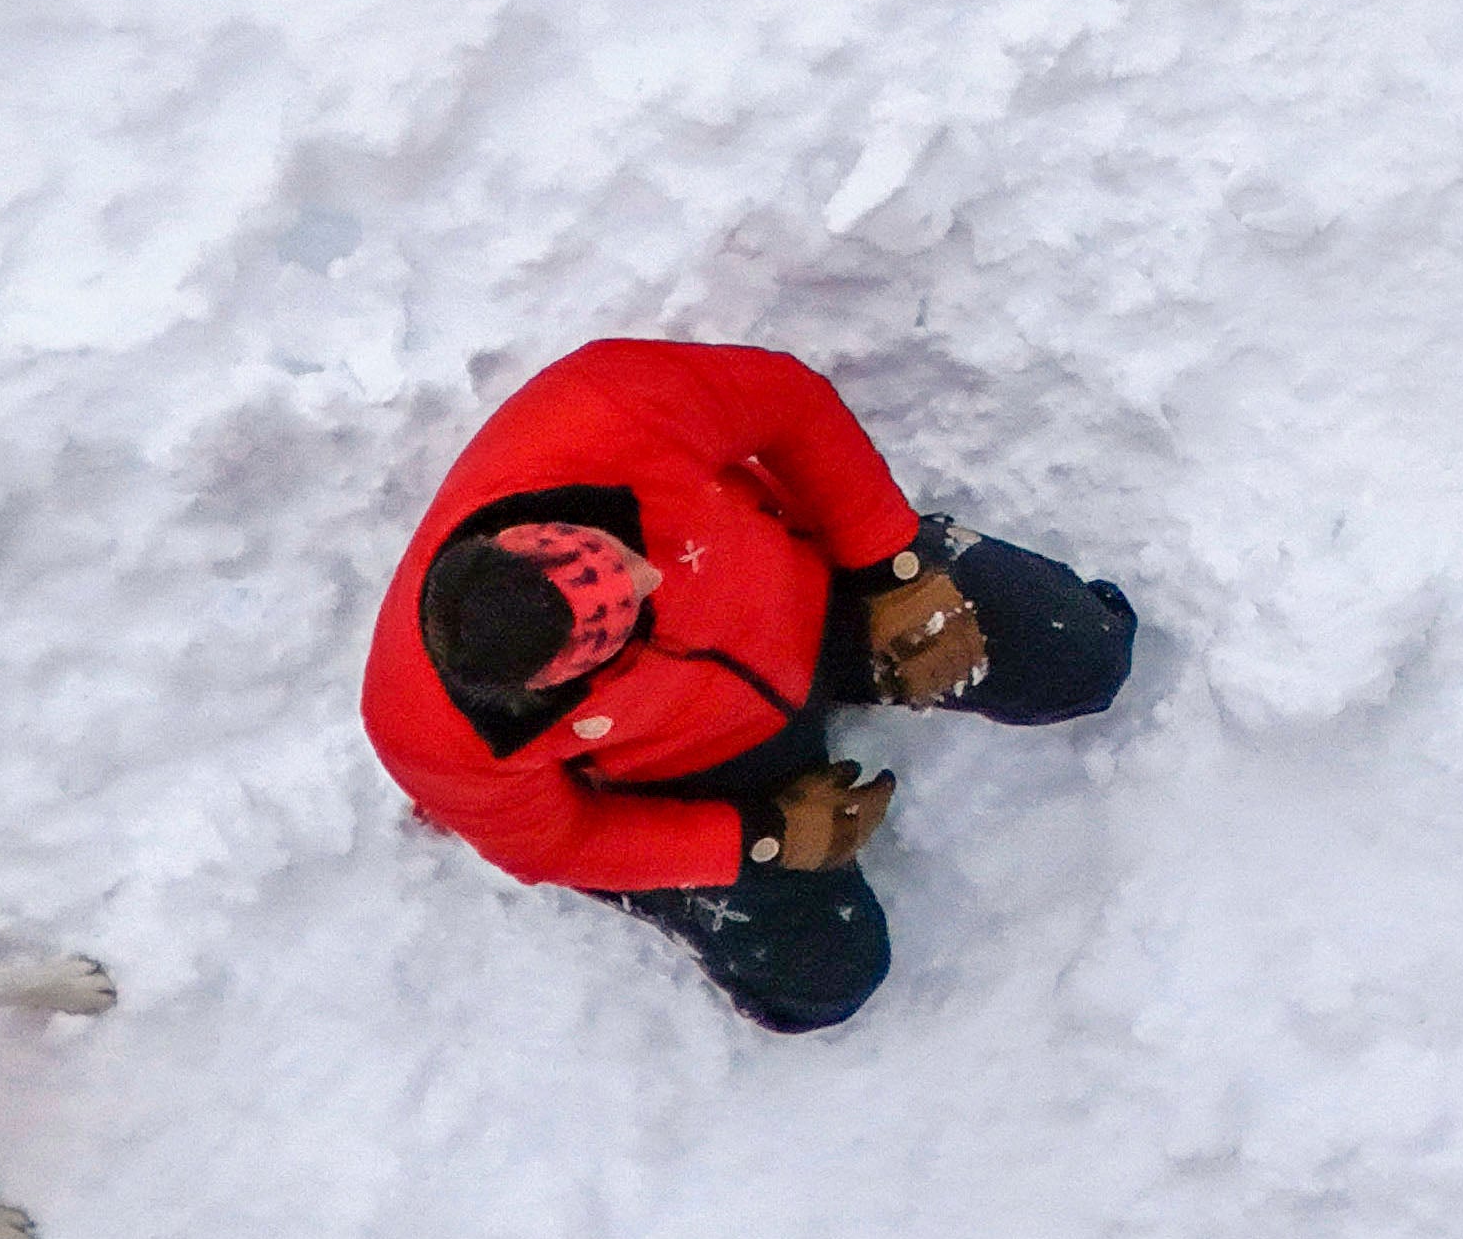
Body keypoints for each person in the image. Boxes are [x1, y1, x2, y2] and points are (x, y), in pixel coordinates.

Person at [360, 338, 1136, 1032]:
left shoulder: (599, 410)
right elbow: (557, 840)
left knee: (1082, 660)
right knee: (823, 982)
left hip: (821, 587)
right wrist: (756, 840)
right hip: (693, 771)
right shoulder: (433, 734)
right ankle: (677, 890)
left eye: (617, 554)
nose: (653, 571)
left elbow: (786, 403)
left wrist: (894, 568)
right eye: (626, 611)